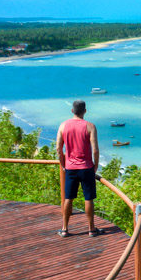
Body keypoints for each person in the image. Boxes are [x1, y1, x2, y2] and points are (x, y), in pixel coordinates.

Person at [56, 99, 103, 237]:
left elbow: (59, 148)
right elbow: (95, 150)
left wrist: (63, 164)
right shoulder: (90, 126)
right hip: (86, 167)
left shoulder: (63, 126)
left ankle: (64, 229)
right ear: (85, 111)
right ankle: (91, 229)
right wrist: (96, 165)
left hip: (70, 167)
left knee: (68, 198)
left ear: (72, 111)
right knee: (88, 198)